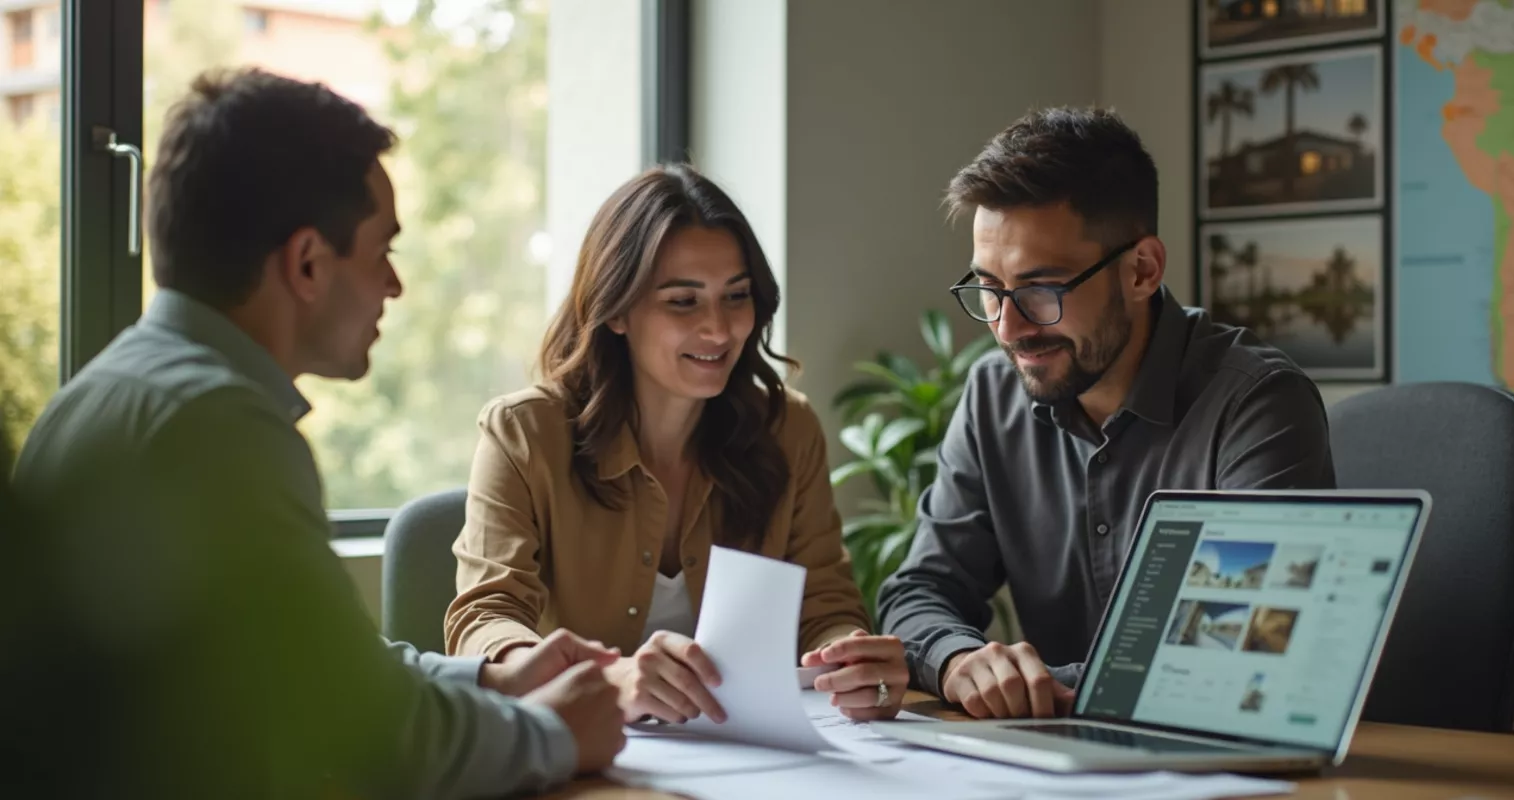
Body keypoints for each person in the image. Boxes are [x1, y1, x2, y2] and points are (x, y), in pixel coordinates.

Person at [10, 68, 624, 800]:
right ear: (306, 264)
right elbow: (367, 736)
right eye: (381, 253)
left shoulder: (108, 394)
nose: (393, 286)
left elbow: (324, 673)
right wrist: (557, 735)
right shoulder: (218, 429)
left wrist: (493, 675)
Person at [876, 106, 1335, 721]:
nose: (1008, 328)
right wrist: (961, 661)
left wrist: (1031, 682)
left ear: (1142, 270)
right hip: (1048, 766)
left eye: (1042, 289)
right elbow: (920, 590)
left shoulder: (1256, 403)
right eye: (989, 288)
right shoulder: (992, 394)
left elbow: (1253, 643)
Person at [445, 164, 911, 723]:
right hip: (580, 753)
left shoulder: (788, 430)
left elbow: (824, 605)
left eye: (736, 296)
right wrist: (604, 680)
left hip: (754, 757)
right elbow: (485, 619)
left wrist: (849, 656)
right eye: (683, 302)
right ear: (616, 310)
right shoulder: (524, 433)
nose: (719, 328)